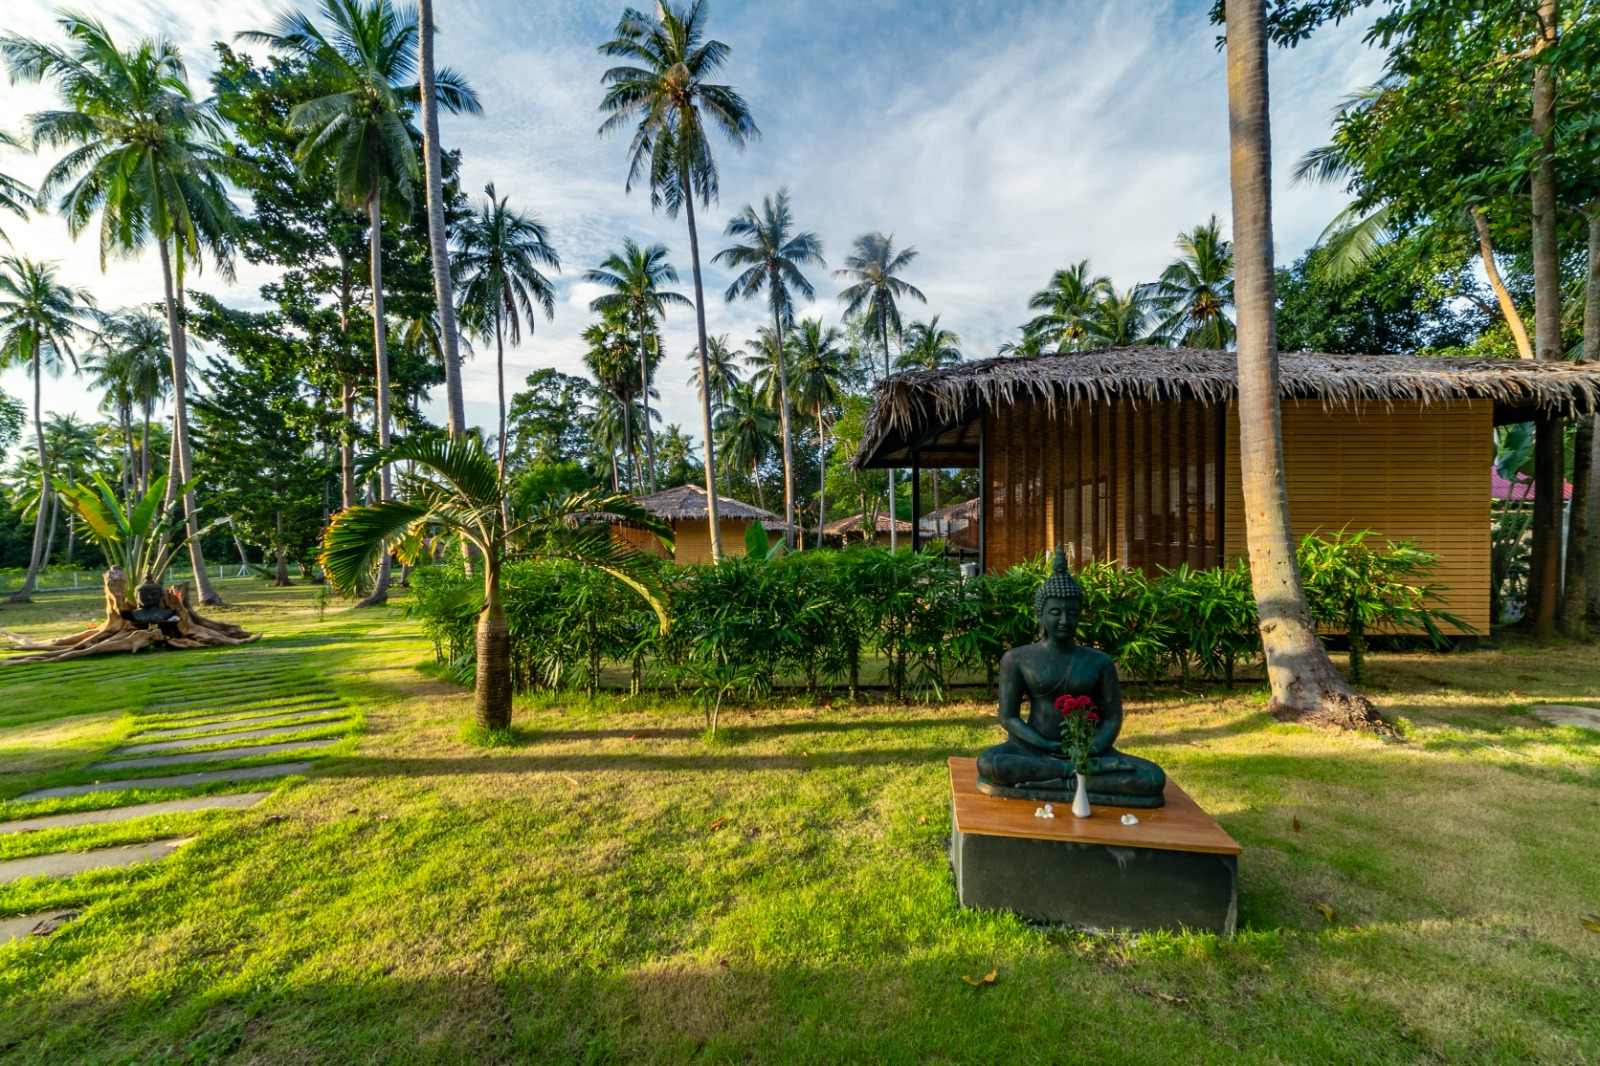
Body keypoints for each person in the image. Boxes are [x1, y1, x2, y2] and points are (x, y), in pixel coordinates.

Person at [975, 546, 1166, 808]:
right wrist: (1043, 743)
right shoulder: (1017, 659)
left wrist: (1092, 750)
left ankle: (1064, 776)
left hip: (1087, 751)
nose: (1064, 620)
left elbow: (1111, 717)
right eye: (1056, 612)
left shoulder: (1098, 661)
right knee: (989, 763)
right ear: (1040, 614)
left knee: (1152, 778)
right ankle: (1074, 776)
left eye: (1072, 613)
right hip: (1032, 750)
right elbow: (1008, 717)